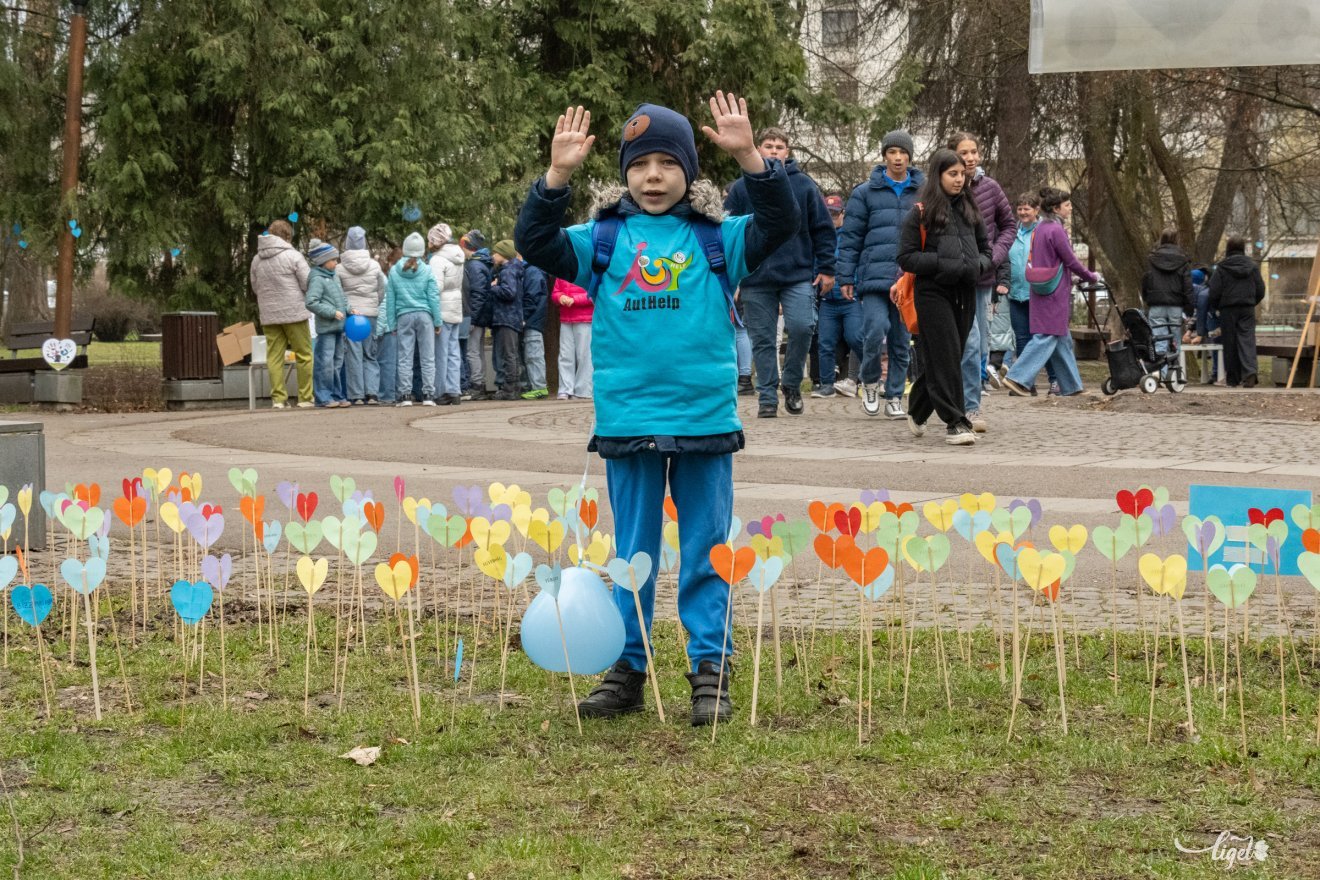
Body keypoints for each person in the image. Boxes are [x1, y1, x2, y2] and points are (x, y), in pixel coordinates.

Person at [514, 95, 798, 725]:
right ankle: (627, 666)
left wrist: (750, 155)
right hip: (628, 422)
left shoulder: (720, 239)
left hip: (704, 422)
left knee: (704, 551)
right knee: (631, 552)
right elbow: (533, 240)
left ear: (689, 173)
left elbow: (780, 223)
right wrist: (556, 176)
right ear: (625, 173)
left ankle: (710, 667)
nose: (653, 176)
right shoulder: (603, 240)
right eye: (641, 164)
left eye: (668, 163)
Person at [724, 127, 833, 418]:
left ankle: (792, 383)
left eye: (780, 146)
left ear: (788, 152)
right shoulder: (740, 188)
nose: (774, 151)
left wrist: (827, 268)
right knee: (762, 338)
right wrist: (730, 274)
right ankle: (768, 396)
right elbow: (728, 232)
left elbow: (823, 228)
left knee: (801, 326)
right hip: (755, 276)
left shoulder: (805, 185)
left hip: (797, 273)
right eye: (768, 145)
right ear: (758, 149)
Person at [896, 148, 991, 446]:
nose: (959, 179)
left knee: (948, 356)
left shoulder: (971, 211)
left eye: (962, 174)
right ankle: (956, 422)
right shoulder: (921, 212)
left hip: (964, 292)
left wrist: (978, 265)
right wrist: (941, 263)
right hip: (932, 292)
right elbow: (906, 257)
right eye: (953, 174)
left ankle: (918, 407)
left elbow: (986, 250)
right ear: (938, 176)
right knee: (947, 356)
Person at [838, 130, 922, 419]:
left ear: (910, 156)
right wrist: (845, 277)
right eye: (892, 152)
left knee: (901, 341)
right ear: (884, 155)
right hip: (874, 276)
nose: (897, 158)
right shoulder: (864, 192)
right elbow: (851, 238)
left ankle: (895, 396)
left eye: (903, 153)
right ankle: (870, 382)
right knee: (874, 331)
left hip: (909, 279)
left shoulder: (923, 191)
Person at [1001, 187, 1097, 400]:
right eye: (1067, 205)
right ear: (1056, 208)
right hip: (1054, 291)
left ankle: (1071, 385)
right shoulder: (1055, 229)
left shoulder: (1041, 228)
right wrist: (1091, 276)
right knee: (1046, 335)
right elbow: (1070, 259)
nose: (1070, 208)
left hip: (1040, 287)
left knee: (1061, 337)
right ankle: (1018, 377)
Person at [949, 132, 1016, 433]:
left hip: (983, 277)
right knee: (967, 342)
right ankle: (964, 407)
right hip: (954, 277)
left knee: (980, 345)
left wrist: (995, 256)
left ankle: (969, 405)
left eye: (975, 151)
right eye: (964, 152)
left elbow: (1009, 225)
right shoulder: (947, 188)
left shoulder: (990, 188)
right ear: (953, 155)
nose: (971, 157)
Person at [250, 219, 314, 408]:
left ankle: (278, 399)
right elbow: (307, 282)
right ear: (287, 236)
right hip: (294, 312)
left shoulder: (256, 259)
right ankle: (305, 398)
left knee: (274, 356)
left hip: (269, 314)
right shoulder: (294, 256)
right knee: (304, 354)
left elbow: (255, 287)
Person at [377, 232, 442, 406]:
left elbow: (390, 299)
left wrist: (391, 324)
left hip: (403, 316)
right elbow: (434, 297)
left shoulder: (394, 272)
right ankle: (428, 395)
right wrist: (437, 321)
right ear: (421, 252)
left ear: (405, 250)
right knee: (428, 357)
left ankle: (405, 396)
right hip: (425, 316)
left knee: (405, 357)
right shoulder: (427, 270)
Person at [812, 193, 863, 399]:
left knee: (856, 338)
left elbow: (858, 263)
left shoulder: (852, 236)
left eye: (835, 213)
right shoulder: (820, 238)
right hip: (827, 301)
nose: (831, 217)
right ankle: (826, 385)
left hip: (851, 299)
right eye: (828, 213)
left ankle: (868, 378)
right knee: (824, 343)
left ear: (843, 213)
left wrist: (856, 286)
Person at [1208, 235, 1266, 387]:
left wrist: (1217, 306)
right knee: (1247, 339)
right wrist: (1252, 302)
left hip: (1228, 308)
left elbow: (1213, 291)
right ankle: (1250, 372)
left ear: (1228, 249)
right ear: (1243, 249)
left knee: (1230, 342)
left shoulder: (1222, 267)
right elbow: (1260, 288)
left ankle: (1233, 378)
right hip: (1247, 307)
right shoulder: (1252, 266)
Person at [339, 226, 386, 405]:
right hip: (370, 314)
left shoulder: (339, 268)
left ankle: (356, 395)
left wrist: (349, 308)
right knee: (370, 353)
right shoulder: (375, 266)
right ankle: (372, 393)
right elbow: (381, 290)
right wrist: (374, 304)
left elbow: (339, 293)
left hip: (351, 316)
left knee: (353, 354)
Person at [305, 239, 351, 408]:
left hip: (339, 327)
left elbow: (341, 298)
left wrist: (349, 308)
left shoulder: (334, 276)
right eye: (333, 259)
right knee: (325, 363)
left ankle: (337, 395)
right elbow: (311, 302)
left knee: (337, 363)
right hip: (326, 329)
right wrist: (332, 313)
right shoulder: (317, 279)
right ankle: (323, 397)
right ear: (323, 261)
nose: (336, 262)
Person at [427, 223, 466, 405]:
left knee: (440, 353)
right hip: (455, 307)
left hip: (442, 309)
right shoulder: (458, 256)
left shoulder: (437, 260)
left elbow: (435, 289)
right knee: (453, 352)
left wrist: (434, 316)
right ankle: (455, 390)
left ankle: (441, 391)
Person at [1140, 227, 1193, 359]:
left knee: (1159, 341)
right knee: (1176, 341)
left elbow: (1146, 281)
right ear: (1176, 240)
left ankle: (1162, 375)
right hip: (1176, 304)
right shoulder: (1183, 260)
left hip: (1156, 303)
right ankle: (1175, 374)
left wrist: (1148, 298)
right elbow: (1187, 286)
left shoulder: (1152, 259)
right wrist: (1189, 309)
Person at [488, 240, 526, 400]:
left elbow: (509, 292)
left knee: (509, 354)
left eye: (495, 253)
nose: (493, 256)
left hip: (506, 317)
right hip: (511, 317)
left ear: (503, 254)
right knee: (512, 353)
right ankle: (513, 386)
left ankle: (510, 388)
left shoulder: (507, 271)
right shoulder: (512, 270)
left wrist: (493, 287)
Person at [460, 230, 494, 399]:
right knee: (477, 350)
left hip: (476, 315)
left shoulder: (474, 265)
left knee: (472, 351)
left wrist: (472, 318)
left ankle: (477, 385)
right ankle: (480, 383)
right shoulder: (482, 263)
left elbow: (478, 293)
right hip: (481, 314)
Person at [554, 277, 593, 399]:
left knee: (584, 355)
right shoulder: (561, 272)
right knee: (565, 355)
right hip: (566, 318)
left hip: (585, 319)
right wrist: (560, 297)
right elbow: (555, 292)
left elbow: (593, 294)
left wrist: (574, 300)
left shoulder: (589, 270)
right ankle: (565, 388)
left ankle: (583, 390)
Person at [1186, 267, 1222, 384]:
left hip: (1215, 319)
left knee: (1218, 344)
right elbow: (1198, 313)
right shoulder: (1202, 290)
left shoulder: (1199, 292)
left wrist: (1200, 335)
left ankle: (1218, 373)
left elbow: (1200, 313)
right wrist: (1189, 331)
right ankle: (1216, 373)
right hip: (1212, 319)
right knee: (1216, 345)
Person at [520, 258, 550, 399]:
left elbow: (532, 297)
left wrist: (524, 317)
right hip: (533, 318)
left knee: (534, 354)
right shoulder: (530, 269)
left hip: (533, 320)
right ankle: (535, 385)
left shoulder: (533, 271)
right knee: (531, 354)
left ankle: (539, 386)